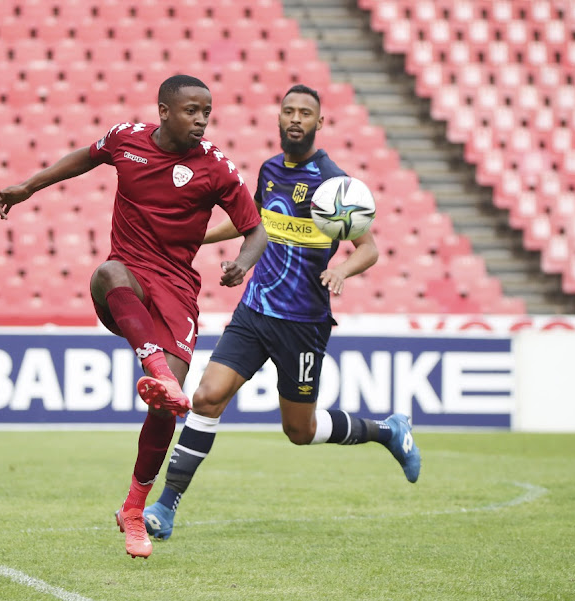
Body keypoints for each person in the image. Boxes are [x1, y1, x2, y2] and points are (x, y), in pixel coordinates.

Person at [0, 74, 267, 559]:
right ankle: (156, 369)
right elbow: (84, 158)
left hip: (177, 291)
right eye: (191, 111)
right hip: (130, 280)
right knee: (107, 272)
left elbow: (255, 230)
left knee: (164, 409)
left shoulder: (216, 168)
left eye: (206, 111)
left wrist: (243, 262)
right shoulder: (126, 140)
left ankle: (133, 508)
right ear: (164, 111)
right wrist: (29, 186)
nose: (201, 120)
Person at [143, 84, 422, 541]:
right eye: (288, 110)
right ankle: (166, 507)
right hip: (255, 311)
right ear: (278, 118)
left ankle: (387, 431)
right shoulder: (271, 171)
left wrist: (342, 271)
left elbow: (367, 249)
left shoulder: (336, 184)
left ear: (319, 122)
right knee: (207, 397)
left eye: (305, 113)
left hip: (304, 324)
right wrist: (204, 243)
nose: (295, 119)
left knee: (299, 429)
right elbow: (254, 222)